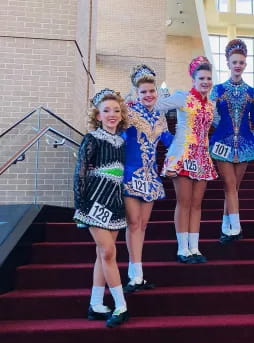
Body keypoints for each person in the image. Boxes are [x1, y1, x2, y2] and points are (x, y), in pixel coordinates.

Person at [73, 89, 129, 328]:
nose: (112, 114)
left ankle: (96, 304)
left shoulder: (121, 141)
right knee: (107, 252)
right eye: (106, 110)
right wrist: (81, 204)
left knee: (102, 254)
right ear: (97, 115)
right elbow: (80, 173)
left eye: (116, 110)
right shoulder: (92, 139)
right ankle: (121, 304)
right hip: (95, 198)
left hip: (114, 199)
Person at [122, 64, 175, 293]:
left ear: (156, 92)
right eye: (143, 92)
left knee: (142, 225)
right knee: (133, 223)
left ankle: (138, 273)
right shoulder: (128, 112)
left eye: (151, 91)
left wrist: (188, 135)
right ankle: (133, 274)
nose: (148, 95)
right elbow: (119, 137)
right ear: (136, 92)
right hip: (131, 175)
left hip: (151, 176)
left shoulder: (159, 115)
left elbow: (168, 141)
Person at [162, 56, 218, 264]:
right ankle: (182, 248)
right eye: (201, 78)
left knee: (196, 204)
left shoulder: (211, 106)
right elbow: (156, 106)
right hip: (183, 155)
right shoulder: (182, 97)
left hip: (202, 157)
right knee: (184, 202)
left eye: (208, 78)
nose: (205, 82)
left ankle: (194, 247)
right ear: (193, 80)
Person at [210, 39, 254, 243]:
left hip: (245, 144)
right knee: (230, 185)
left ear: (245, 64)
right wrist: (221, 128)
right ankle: (237, 228)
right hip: (222, 143)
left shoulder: (251, 91)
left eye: (241, 62)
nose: (238, 65)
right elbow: (210, 115)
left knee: (233, 188)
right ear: (228, 64)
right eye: (234, 62)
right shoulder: (218, 89)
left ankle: (226, 227)